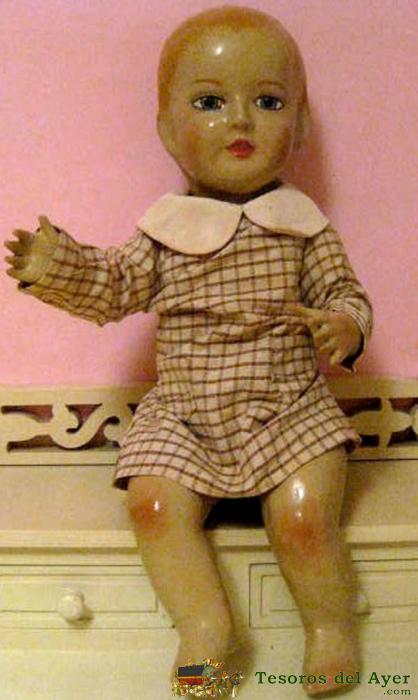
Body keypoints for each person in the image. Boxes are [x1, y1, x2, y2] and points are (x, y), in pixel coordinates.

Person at [4, 6, 372, 696]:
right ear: (167, 130)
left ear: (299, 126)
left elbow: (345, 293)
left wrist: (344, 326)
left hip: (288, 411)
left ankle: (329, 625)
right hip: (186, 416)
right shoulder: (166, 233)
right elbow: (114, 286)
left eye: (268, 102)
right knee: (152, 506)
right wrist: (59, 266)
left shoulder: (303, 228)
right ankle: (205, 630)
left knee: (302, 519)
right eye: (209, 102)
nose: (240, 121)